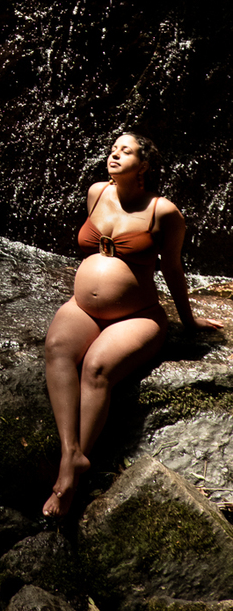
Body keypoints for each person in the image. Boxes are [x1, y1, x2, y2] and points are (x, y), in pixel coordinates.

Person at [42, 129, 222, 519]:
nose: (115, 155)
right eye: (112, 149)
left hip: (138, 316)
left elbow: (174, 269)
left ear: (145, 165)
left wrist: (187, 321)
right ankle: (72, 455)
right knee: (57, 350)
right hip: (82, 307)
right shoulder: (96, 193)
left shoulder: (164, 212)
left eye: (126, 151)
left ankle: (68, 477)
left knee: (96, 367)